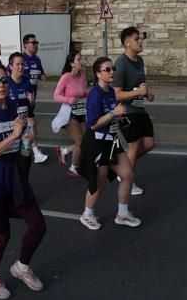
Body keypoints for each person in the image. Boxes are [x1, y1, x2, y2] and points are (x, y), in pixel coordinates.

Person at [0, 65, 48, 299]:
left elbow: (22, 146)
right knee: (2, 234)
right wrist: (13, 136)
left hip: (15, 177)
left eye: (4, 80)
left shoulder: (15, 107)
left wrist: (26, 140)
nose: (1, 85)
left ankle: (21, 268)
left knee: (38, 226)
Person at [79, 56, 139, 229]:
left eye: (113, 69)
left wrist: (120, 117)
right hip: (97, 142)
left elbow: (113, 115)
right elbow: (93, 125)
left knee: (127, 174)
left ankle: (122, 213)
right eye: (107, 69)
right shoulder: (94, 95)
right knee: (100, 181)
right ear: (98, 74)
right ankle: (87, 214)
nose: (112, 72)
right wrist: (113, 113)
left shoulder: (111, 92)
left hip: (112, 141)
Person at [113, 26, 155, 196]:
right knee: (134, 145)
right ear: (127, 43)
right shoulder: (121, 64)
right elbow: (116, 94)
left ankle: (122, 167)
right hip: (126, 111)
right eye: (137, 39)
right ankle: (128, 180)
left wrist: (147, 93)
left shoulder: (139, 61)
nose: (140, 41)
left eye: (140, 38)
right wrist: (137, 92)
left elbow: (140, 85)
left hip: (139, 109)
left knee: (150, 144)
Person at [53, 49, 88, 178]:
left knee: (85, 140)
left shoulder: (83, 75)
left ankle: (64, 150)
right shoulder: (66, 77)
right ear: (72, 63)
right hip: (69, 113)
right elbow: (56, 96)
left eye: (81, 59)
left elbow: (82, 92)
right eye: (79, 59)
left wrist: (86, 94)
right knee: (79, 141)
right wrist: (68, 99)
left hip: (81, 111)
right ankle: (74, 168)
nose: (81, 61)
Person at [21, 33, 50, 163]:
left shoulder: (37, 59)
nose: (36, 45)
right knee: (29, 123)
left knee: (28, 124)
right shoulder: (21, 59)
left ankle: (26, 150)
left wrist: (43, 77)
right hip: (21, 96)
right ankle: (35, 151)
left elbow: (40, 74)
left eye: (37, 42)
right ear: (26, 45)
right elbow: (10, 75)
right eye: (33, 43)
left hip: (33, 97)